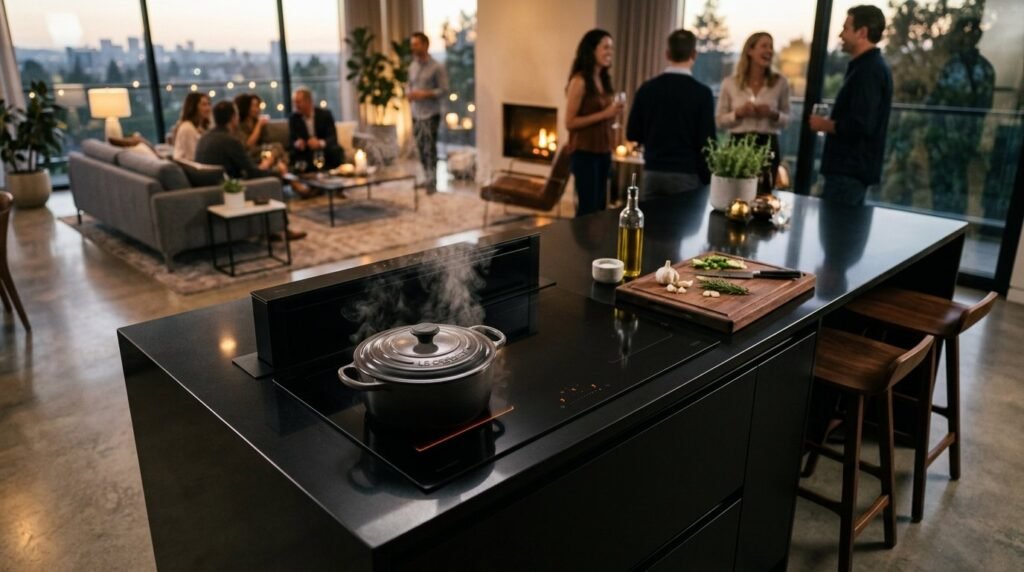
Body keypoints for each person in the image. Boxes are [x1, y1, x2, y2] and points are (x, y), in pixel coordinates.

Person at [809, 4, 893, 206]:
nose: (840, 34)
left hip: (848, 172)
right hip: (849, 172)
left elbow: (862, 124)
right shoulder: (868, 67)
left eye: (846, 28)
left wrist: (825, 125)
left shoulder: (868, 71)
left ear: (862, 32)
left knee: (838, 233)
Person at [196, 101, 306, 240]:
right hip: (230, 189)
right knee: (274, 178)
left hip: (211, 186)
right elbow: (253, 173)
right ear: (233, 118)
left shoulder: (205, 137)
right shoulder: (229, 140)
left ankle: (271, 229)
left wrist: (262, 165)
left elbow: (242, 164)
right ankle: (281, 228)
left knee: (270, 172)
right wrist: (272, 168)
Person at [626, 29, 715, 199]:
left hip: (653, 172)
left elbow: (632, 133)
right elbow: (707, 143)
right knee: (683, 226)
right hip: (686, 174)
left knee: (651, 224)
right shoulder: (702, 94)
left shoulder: (647, 89)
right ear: (694, 54)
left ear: (667, 54)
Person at [715, 31, 790, 183]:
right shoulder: (729, 83)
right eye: (764, 46)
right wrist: (738, 113)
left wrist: (773, 114)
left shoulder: (780, 82)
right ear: (750, 50)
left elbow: (787, 120)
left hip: (768, 146)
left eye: (771, 47)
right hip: (738, 145)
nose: (769, 51)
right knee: (737, 193)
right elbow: (719, 121)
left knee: (764, 193)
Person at [565, 29, 623, 216]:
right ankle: (580, 246)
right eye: (605, 47)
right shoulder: (580, 81)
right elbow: (570, 123)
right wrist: (605, 114)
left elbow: (604, 117)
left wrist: (611, 115)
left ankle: (595, 245)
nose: (610, 53)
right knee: (587, 211)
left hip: (603, 152)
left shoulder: (603, 79)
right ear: (591, 50)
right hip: (585, 154)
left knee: (600, 209)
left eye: (612, 48)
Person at [407, 31, 449, 194]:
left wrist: (425, 94)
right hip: (416, 113)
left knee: (429, 147)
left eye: (416, 44)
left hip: (431, 113)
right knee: (420, 146)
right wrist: (409, 93)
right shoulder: (412, 66)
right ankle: (426, 177)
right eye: (412, 45)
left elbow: (444, 90)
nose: (413, 48)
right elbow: (409, 84)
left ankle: (433, 180)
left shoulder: (437, 67)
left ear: (425, 45)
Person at [288, 88, 343, 172]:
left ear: (309, 101)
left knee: (336, 150)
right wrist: (297, 143)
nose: (296, 105)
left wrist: (319, 143)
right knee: (295, 155)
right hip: (305, 152)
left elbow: (333, 137)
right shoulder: (293, 118)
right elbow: (292, 140)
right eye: (294, 102)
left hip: (324, 150)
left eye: (298, 102)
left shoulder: (325, 115)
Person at [172, 92, 211, 161]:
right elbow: (192, 157)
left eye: (209, 104)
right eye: (204, 105)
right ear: (193, 107)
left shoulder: (199, 127)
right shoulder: (187, 128)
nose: (208, 108)